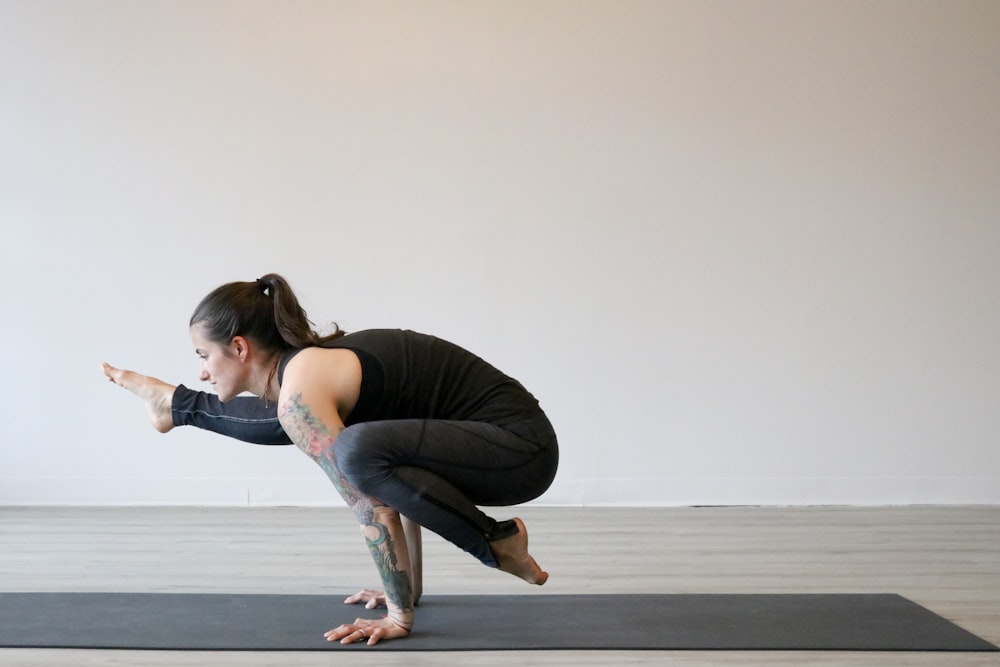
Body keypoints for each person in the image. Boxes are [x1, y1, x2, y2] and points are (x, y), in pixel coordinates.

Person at [101, 273, 559, 646]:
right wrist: (410, 592)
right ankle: (175, 405)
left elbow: (371, 508)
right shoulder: (307, 371)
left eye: (204, 356)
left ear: (240, 348)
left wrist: (399, 617)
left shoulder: (302, 390)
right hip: (490, 446)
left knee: (348, 448)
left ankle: (495, 541)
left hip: (519, 450)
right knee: (328, 436)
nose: (202, 369)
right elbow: (399, 487)